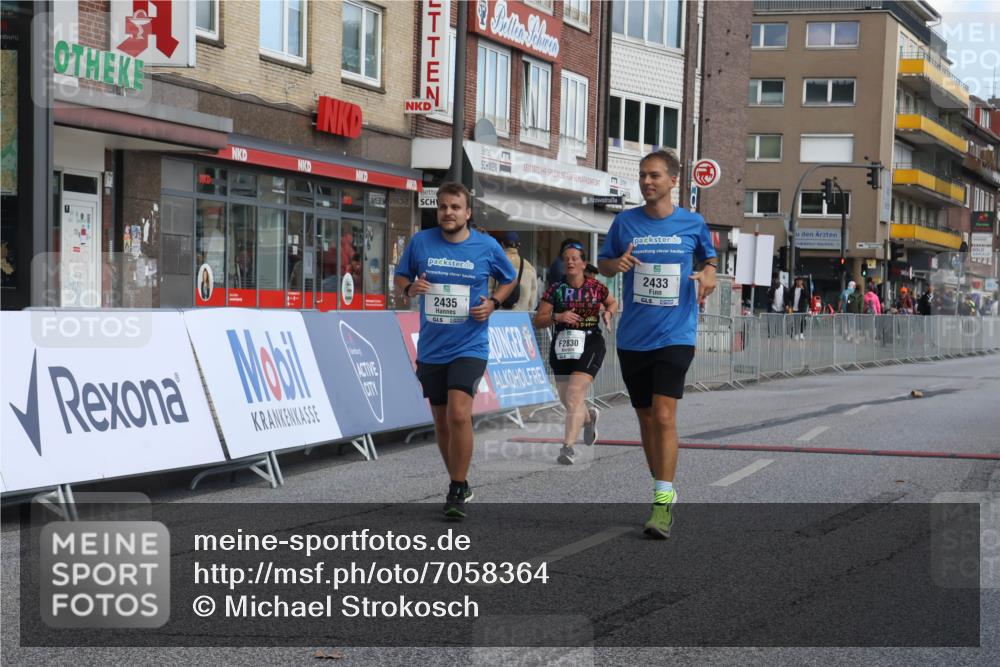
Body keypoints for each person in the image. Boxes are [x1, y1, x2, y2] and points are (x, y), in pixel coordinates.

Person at [597, 149, 717, 539]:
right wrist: (616, 266)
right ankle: (662, 481)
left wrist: (710, 274)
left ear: (672, 181)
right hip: (633, 337)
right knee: (647, 419)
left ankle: (661, 504)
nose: (647, 182)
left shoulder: (692, 223)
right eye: (642, 175)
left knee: (665, 417)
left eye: (654, 176)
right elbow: (604, 263)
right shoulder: (625, 223)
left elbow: (709, 258)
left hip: (676, 334)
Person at [394, 182, 517, 519]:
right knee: (442, 422)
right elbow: (400, 276)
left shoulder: (487, 246)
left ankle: (455, 488)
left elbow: (509, 278)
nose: (448, 212)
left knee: (459, 414)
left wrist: (493, 302)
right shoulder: (421, 242)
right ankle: (460, 482)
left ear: (468, 212)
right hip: (432, 347)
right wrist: (409, 288)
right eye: (443, 207)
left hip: (470, 344)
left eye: (455, 207)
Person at [534, 239, 617, 465]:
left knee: (573, 395)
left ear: (583, 263)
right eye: (566, 259)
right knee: (569, 400)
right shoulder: (555, 289)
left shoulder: (596, 287)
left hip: (590, 343)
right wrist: (557, 317)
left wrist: (608, 313)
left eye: (574, 259)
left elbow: (612, 303)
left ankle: (567, 448)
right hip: (562, 346)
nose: (570, 262)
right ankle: (589, 418)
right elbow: (538, 320)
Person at [489, 231, 538, 311]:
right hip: (521, 318)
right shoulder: (530, 268)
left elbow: (489, 290)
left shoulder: (495, 264)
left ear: (502, 244)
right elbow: (533, 299)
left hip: (498, 317)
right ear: (518, 246)